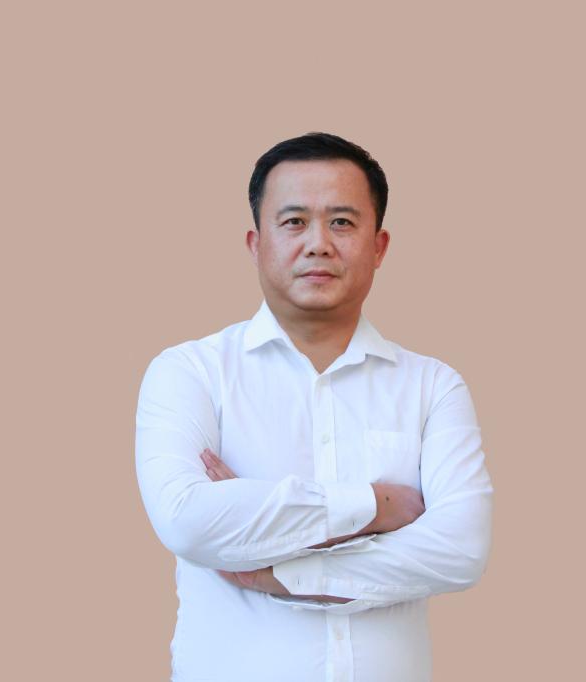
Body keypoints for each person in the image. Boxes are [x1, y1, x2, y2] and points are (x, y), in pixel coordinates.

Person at [134, 132, 494, 682]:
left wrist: (282, 572)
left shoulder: (433, 385)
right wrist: (372, 507)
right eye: (294, 221)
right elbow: (187, 521)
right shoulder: (191, 372)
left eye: (342, 222)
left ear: (379, 246)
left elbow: (462, 548)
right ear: (256, 244)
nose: (318, 244)